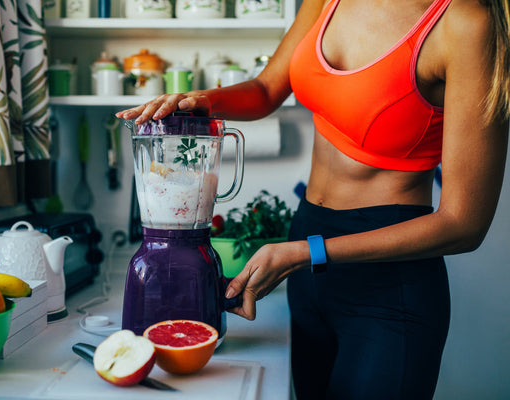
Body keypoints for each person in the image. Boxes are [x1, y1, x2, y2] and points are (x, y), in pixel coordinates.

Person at [116, 0, 510, 398]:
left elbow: (464, 224)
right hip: (307, 246)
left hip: (389, 281)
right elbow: (266, 88)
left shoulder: (466, 23)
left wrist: (305, 253)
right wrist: (202, 101)